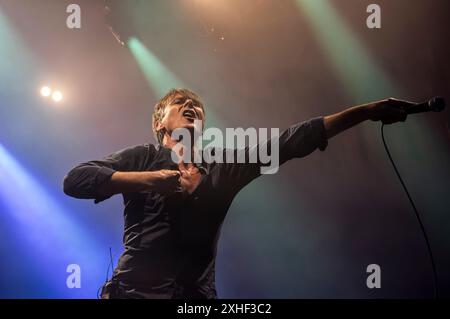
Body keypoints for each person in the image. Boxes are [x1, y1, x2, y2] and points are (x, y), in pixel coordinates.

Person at [63, 88, 409, 298]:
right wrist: (149, 180)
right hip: (133, 294)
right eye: (180, 102)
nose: (191, 106)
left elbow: (290, 142)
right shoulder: (141, 157)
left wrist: (365, 112)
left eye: (197, 107)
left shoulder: (223, 168)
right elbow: (76, 179)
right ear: (160, 123)